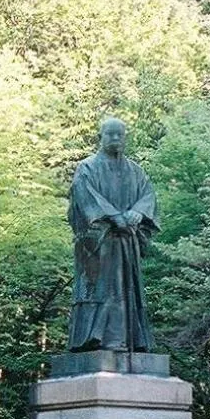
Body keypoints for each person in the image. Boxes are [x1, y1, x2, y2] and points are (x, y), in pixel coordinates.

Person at [67, 117, 158, 352]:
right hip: (98, 242)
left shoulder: (136, 171)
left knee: (126, 289)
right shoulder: (87, 167)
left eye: (120, 134)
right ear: (101, 137)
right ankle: (95, 339)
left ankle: (129, 340)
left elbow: (148, 195)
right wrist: (113, 217)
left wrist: (138, 212)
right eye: (110, 134)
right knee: (100, 288)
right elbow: (84, 196)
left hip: (127, 242)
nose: (116, 138)